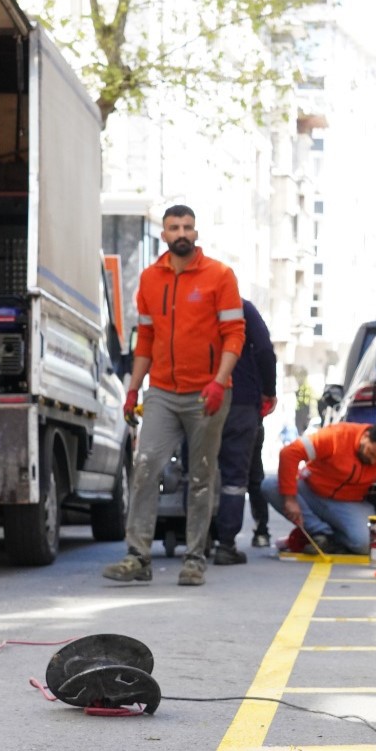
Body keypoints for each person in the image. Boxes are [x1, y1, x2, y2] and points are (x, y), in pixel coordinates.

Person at [102, 205, 245, 587]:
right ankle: (138, 557)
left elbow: (235, 334)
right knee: (146, 466)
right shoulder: (150, 279)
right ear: (163, 235)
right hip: (163, 390)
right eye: (173, 227)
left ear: (196, 233)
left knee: (201, 476)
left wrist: (219, 381)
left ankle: (195, 558)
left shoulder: (220, 276)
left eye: (188, 227)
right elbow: (145, 339)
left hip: (207, 392)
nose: (181, 232)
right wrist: (133, 388)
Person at [263, 421, 376, 556]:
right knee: (270, 485)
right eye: (370, 453)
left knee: (365, 544)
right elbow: (290, 453)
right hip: (310, 491)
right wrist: (290, 498)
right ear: (366, 436)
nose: (372, 462)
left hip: (350, 503)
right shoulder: (337, 435)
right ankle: (321, 533)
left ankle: (322, 539)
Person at [211, 299, 277, 565]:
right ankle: (227, 544)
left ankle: (199, 539)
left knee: (199, 470)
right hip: (241, 401)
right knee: (239, 475)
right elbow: (264, 351)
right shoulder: (243, 308)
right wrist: (268, 391)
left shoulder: (197, 305)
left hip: (200, 397)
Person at [247, 420, 272, 548]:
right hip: (250, 418)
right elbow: (269, 400)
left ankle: (225, 541)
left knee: (230, 480)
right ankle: (261, 532)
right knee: (254, 479)